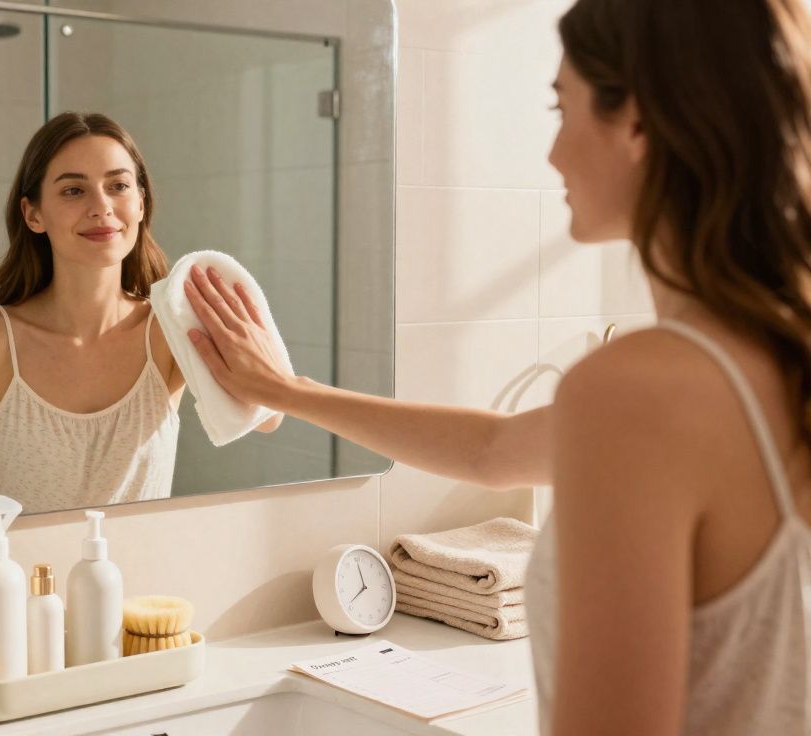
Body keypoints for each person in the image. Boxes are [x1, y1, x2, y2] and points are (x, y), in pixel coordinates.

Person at [184, 0, 811, 733]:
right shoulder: (767, 360)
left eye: (561, 106)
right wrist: (287, 390)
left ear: (637, 122)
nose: (551, 153)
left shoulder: (635, 392)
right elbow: (493, 450)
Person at [0, 111, 279, 514]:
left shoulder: (168, 330)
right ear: (33, 214)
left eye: (118, 186)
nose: (102, 207)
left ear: (140, 202)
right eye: (73, 191)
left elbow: (266, 416)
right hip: (22, 578)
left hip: (144, 575)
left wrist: (240, 325)